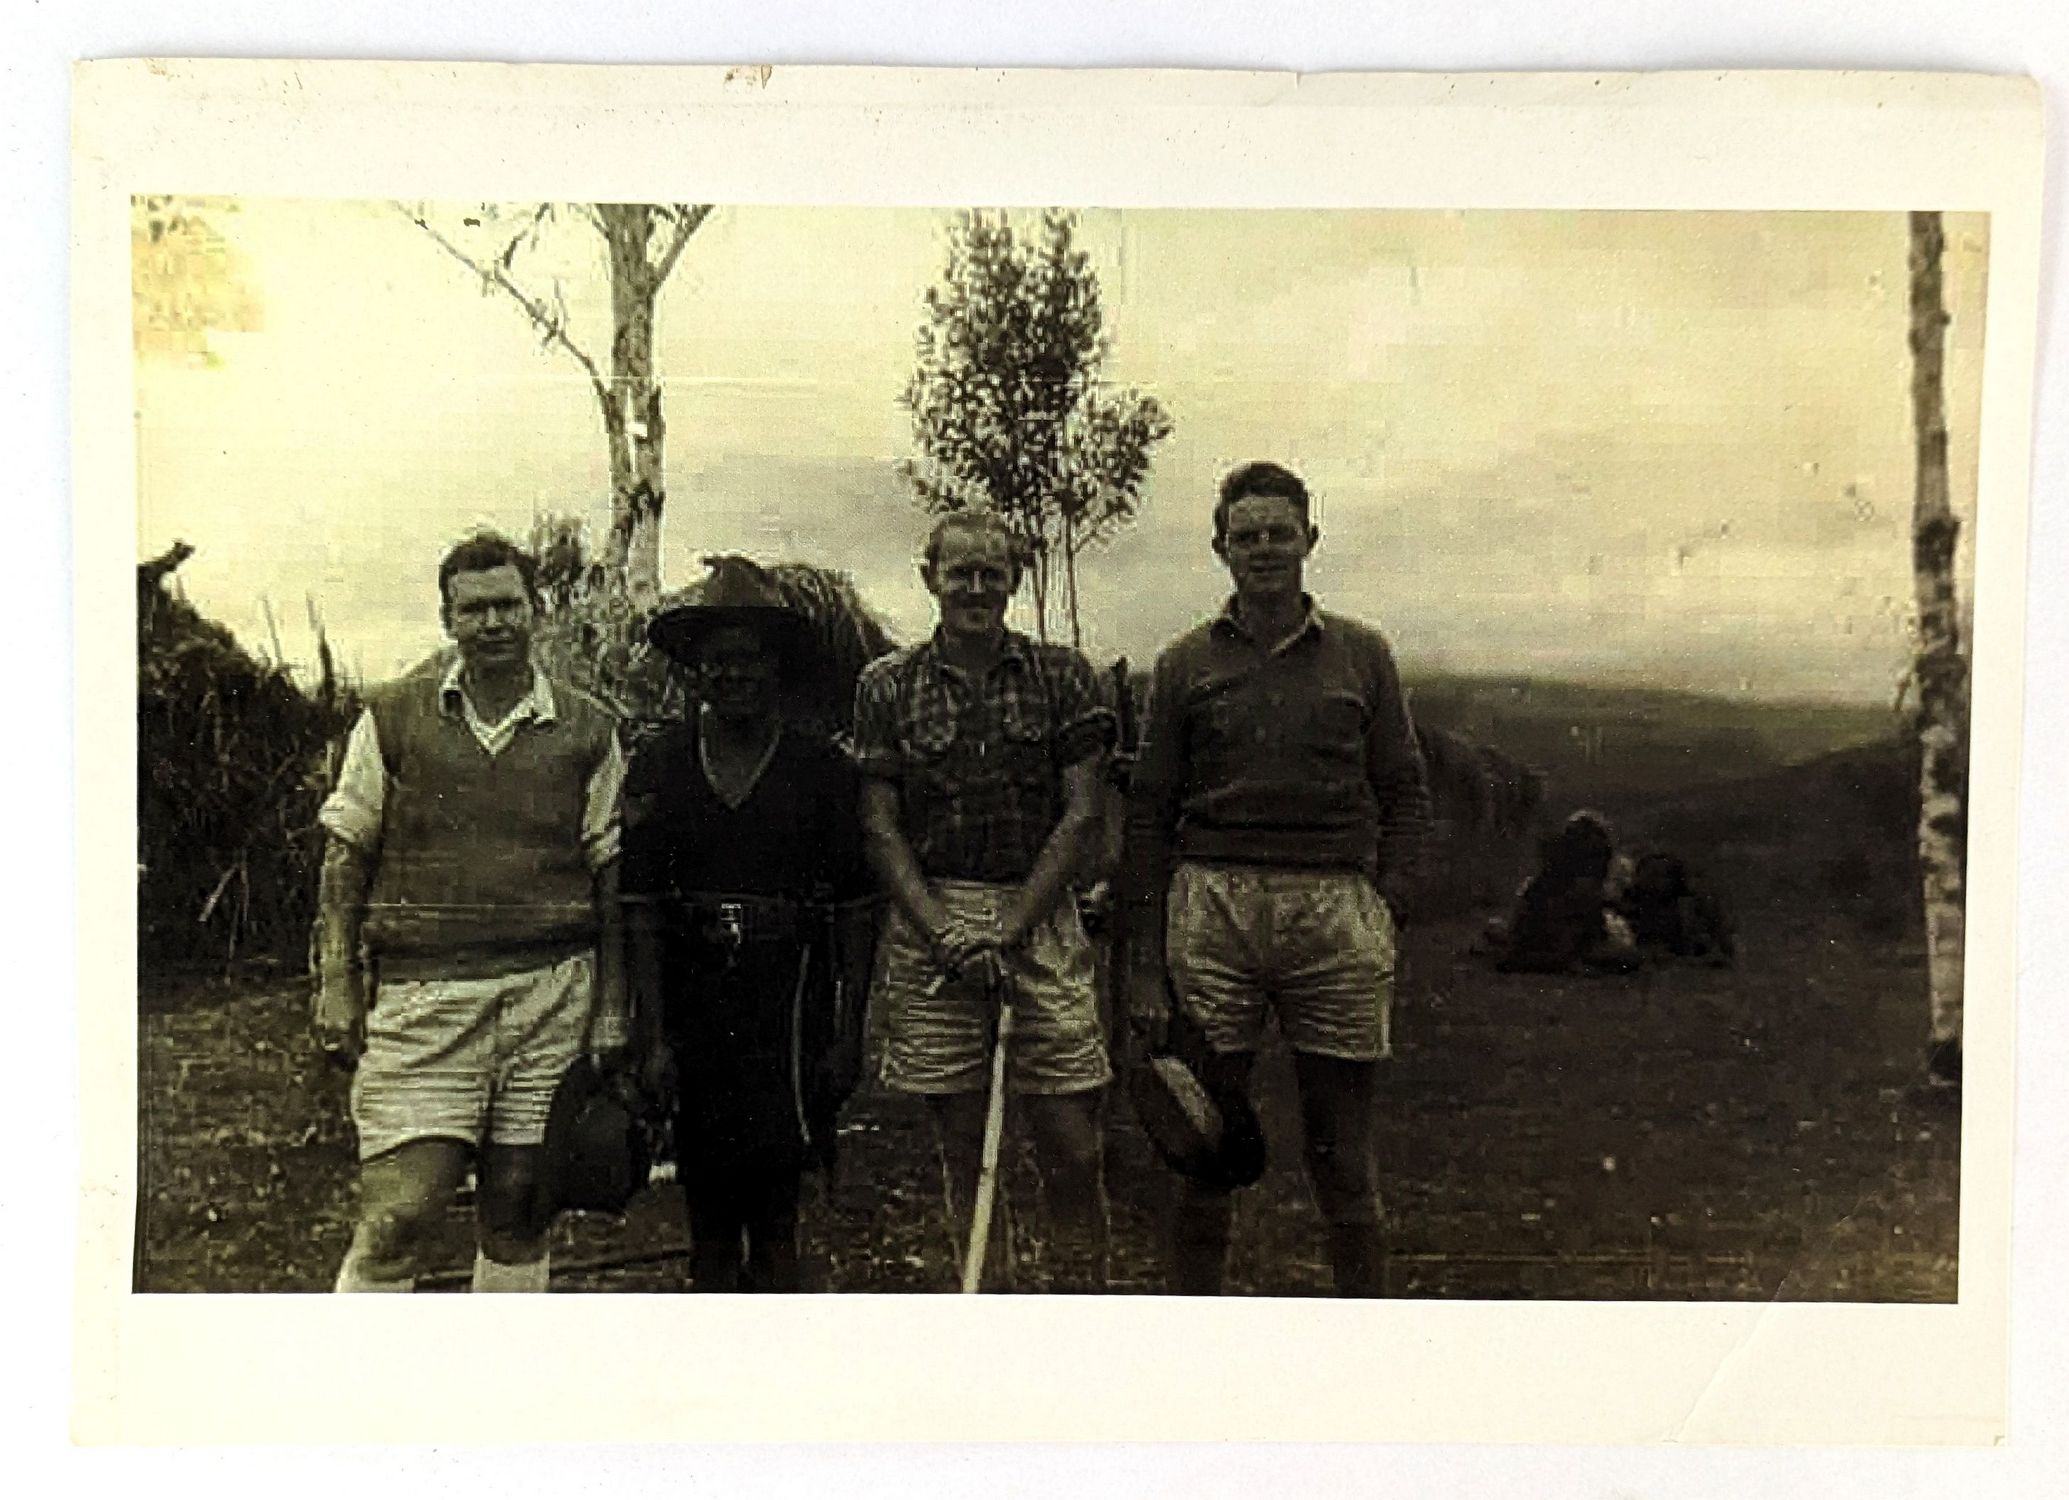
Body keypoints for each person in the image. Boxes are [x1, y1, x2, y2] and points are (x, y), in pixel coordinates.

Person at [1121, 461, 1432, 1297]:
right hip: (1213, 906)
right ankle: (1197, 1337)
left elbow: (1403, 788)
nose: (1263, 548)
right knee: (1202, 1145)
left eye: (1279, 533)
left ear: (1308, 541)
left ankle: (1363, 1336)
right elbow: (1148, 812)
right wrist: (1144, 963)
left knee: (1342, 1154)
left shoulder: (1362, 655)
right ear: (1220, 549)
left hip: (1333, 911)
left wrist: (1389, 902)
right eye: (1245, 535)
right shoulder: (1182, 664)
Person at [311, 531, 628, 1293]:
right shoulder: (392, 717)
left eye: (507, 605)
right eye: (473, 609)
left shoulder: (588, 727)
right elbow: (344, 854)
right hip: (425, 998)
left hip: (552, 996)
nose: (492, 623)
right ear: (447, 619)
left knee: (520, 1210)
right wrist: (335, 977)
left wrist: (613, 1008)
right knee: (398, 1219)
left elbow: (612, 876)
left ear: (535, 609)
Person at [852, 511, 1116, 1292]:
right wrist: (945, 933)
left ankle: (1082, 1307)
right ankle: (989, 1306)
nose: (974, 588)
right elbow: (878, 824)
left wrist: (1011, 923)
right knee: (966, 1152)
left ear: (1013, 580)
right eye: (958, 572)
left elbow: (1082, 813)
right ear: (929, 578)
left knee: (1073, 1146)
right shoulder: (885, 684)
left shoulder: (1062, 675)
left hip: (1037, 915)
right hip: (932, 923)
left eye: (990, 573)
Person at [623, 556, 876, 1293]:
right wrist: (652, 1035)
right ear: (696, 671)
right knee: (707, 1217)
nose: (734, 674)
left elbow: (857, 908)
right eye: (718, 660)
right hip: (695, 1004)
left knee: (775, 1215)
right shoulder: (661, 764)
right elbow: (639, 905)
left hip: (788, 1009)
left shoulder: (821, 769)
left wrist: (849, 1034)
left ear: (778, 668)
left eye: (751, 658)